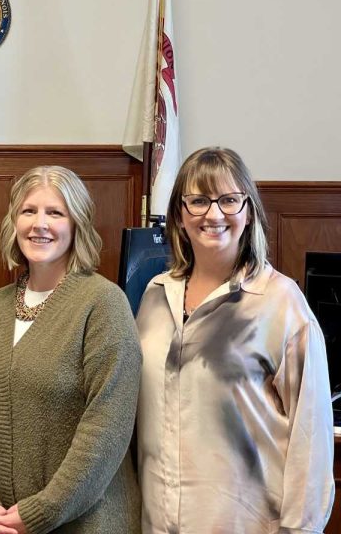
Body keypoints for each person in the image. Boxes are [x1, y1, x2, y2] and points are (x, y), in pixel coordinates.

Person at [136, 147, 335, 533]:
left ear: (249, 212)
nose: (213, 215)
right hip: (156, 522)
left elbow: (311, 439)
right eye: (198, 201)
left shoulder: (281, 303)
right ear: (179, 214)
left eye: (229, 200)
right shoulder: (154, 296)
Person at [0, 165, 142, 534]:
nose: (39, 224)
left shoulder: (103, 304)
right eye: (29, 211)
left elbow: (107, 427)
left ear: (77, 224)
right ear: (14, 222)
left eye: (55, 212)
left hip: (89, 524)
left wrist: (41, 512)